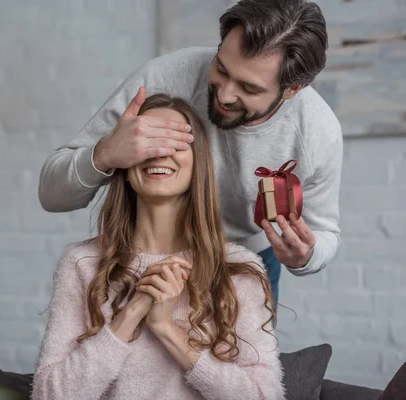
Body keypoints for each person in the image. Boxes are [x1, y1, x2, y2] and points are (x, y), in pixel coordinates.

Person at [37, 0, 343, 306]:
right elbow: (52, 196)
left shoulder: (317, 132)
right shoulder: (162, 77)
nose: (224, 94)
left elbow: (324, 231)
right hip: (148, 255)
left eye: (249, 89)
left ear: (293, 89)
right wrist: (103, 155)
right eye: (221, 68)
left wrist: (305, 255)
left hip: (245, 261)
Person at [31, 94, 285, 400]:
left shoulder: (238, 269)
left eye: (176, 142)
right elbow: (48, 396)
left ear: (198, 162)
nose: (159, 153)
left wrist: (166, 329)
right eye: (147, 142)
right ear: (124, 161)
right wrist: (131, 314)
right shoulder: (82, 263)